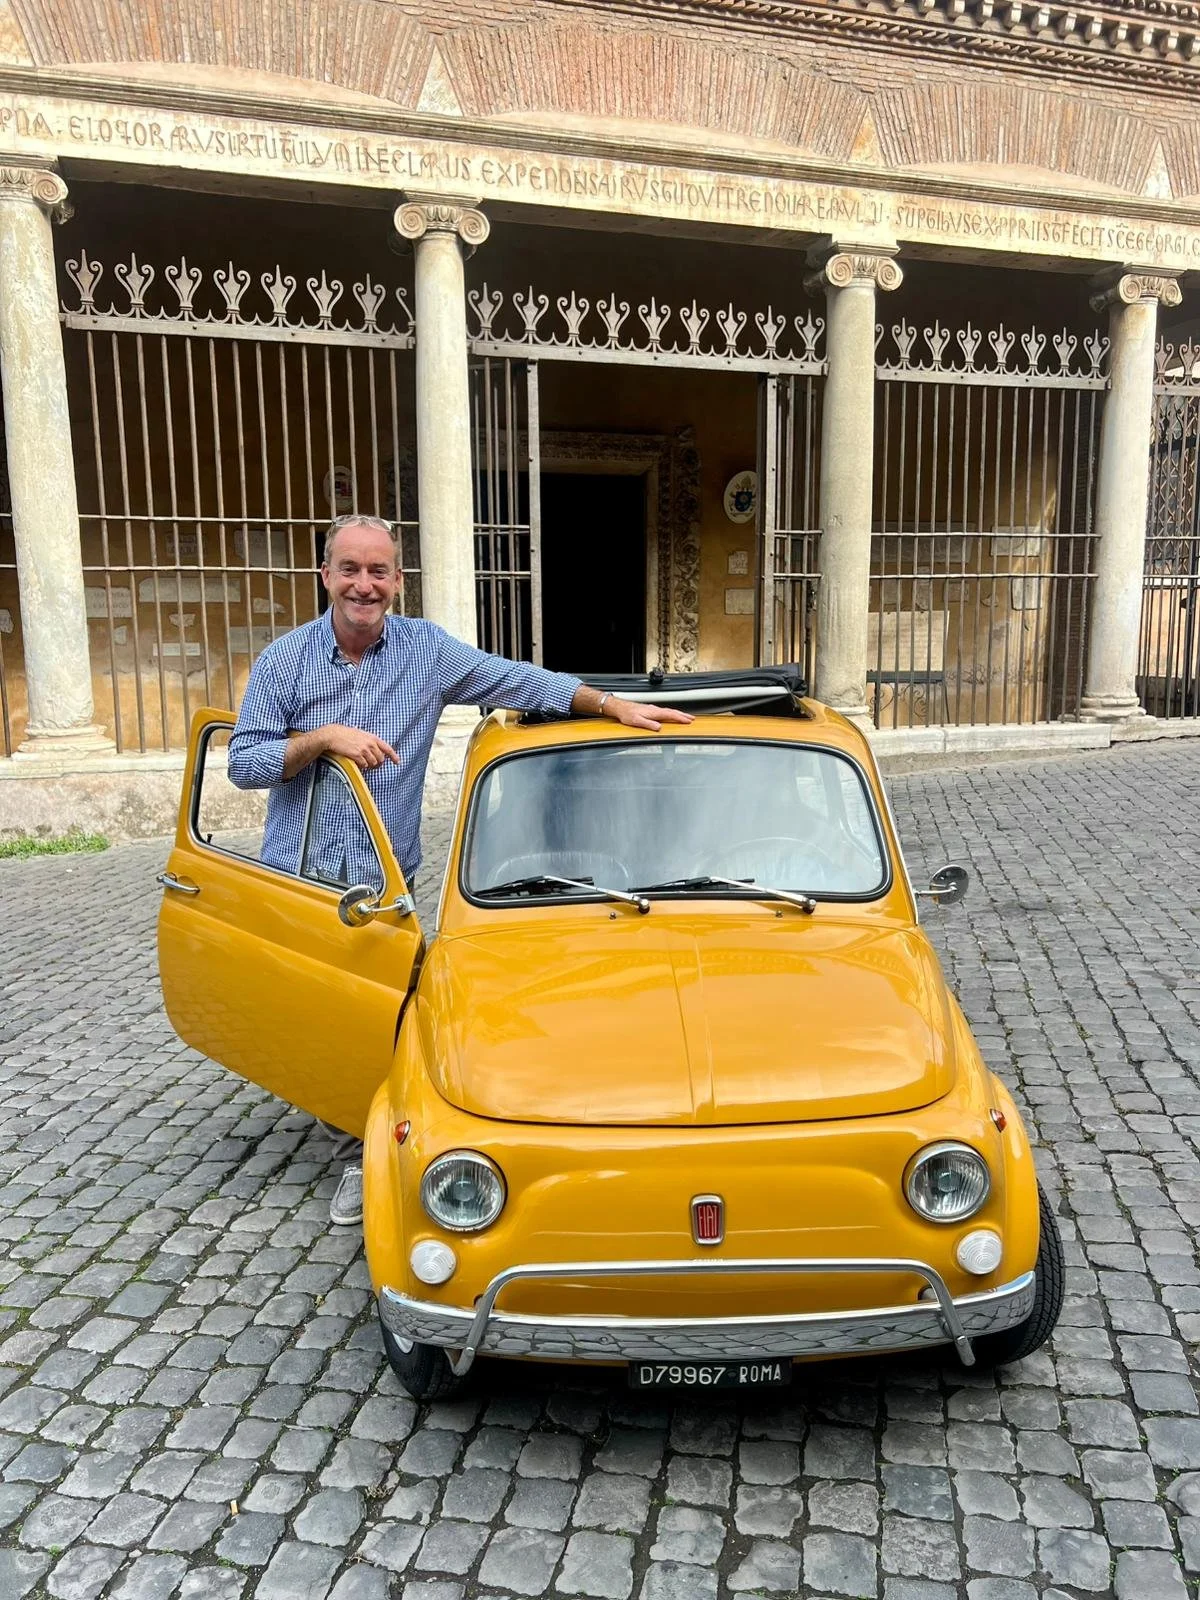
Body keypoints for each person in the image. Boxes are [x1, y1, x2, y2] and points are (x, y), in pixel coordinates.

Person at [228, 512, 691, 1226]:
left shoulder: (426, 652)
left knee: (385, 1015)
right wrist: (322, 739)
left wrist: (607, 704)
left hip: (384, 881)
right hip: (302, 879)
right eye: (349, 569)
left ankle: (367, 1148)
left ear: (397, 580)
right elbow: (243, 763)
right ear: (325, 576)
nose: (363, 585)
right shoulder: (283, 662)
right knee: (320, 1020)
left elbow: (516, 681)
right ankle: (350, 1141)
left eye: (377, 571)